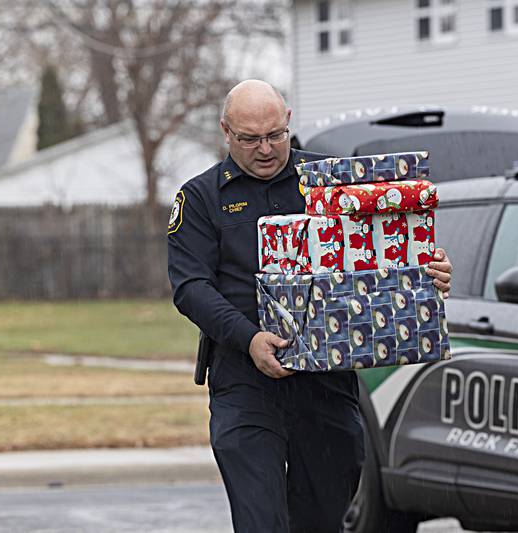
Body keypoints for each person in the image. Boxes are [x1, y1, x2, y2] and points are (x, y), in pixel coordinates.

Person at [167, 79, 453, 533]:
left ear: (288, 123)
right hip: (245, 380)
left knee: (322, 519)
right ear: (226, 132)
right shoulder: (202, 199)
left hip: (326, 381)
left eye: (275, 135)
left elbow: (385, 250)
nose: (265, 148)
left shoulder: (332, 183)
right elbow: (191, 288)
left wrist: (428, 268)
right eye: (250, 138)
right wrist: (249, 338)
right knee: (261, 521)